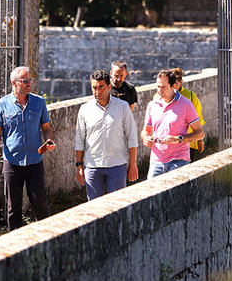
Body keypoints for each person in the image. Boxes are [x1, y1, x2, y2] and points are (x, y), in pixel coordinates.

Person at [0, 66, 55, 230]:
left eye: (30, 80)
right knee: (13, 207)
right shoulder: (2, 104)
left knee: (39, 202)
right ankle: (14, 242)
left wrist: (49, 141)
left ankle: (46, 237)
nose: (29, 84)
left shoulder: (39, 102)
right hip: (12, 163)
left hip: (34, 161)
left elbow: (46, 128)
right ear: (14, 83)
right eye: (25, 81)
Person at [75, 70, 139, 200]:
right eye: (94, 88)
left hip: (117, 165)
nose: (97, 92)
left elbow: (132, 137)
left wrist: (133, 164)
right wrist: (79, 166)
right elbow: (80, 140)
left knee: (118, 207)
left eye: (101, 87)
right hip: (93, 167)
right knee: (94, 209)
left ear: (109, 87)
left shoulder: (123, 107)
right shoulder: (84, 109)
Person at [141, 69, 204, 178]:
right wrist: (145, 138)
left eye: (164, 87)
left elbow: (200, 134)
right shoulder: (152, 105)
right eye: (158, 87)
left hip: (179, 160)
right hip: (156, 161)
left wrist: (178, 139)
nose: (160, 90)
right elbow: (145, 131)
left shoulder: (186, 104)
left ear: (173, 86)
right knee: (152, 194)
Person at [170, 67, 205, 154]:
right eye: (171, 84)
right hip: (168, 143)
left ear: (181, 82)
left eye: (175, 84)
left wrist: (200, 140)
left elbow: (198, 118)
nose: (173, 87)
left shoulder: (190, 96)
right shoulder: (160, 96)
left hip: (188, 142)